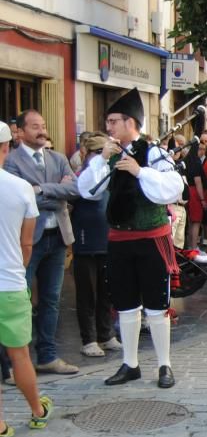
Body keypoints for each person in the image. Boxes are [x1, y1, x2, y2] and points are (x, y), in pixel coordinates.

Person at [77, 88, 185, 389]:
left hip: (151, 238)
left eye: (113, 121)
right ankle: (130, 363)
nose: (108, 127)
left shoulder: (154, 153)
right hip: (120, 241)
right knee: (125, 304)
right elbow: (87, 190)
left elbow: (172, 189)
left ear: (129, 122)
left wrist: (139, 172)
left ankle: (164, 365)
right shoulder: (106, 155)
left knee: (156, 305)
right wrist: (100, 161)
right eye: (108, 121)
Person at [4, 109, 80, 374]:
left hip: (57, 237)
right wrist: (53, 191)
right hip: (27, 240)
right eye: (34, 126)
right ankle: (15, 363)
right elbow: (22, 198)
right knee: (19, 300)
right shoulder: (11, 162)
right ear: (21, 132)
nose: (41, 130)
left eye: (43, 125)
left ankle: (47, 355)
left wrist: (41, 189)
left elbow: (74, 189)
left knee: (51, 299)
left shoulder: (58, 158)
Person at [0, 121, 53, 437]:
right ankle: (37, 410)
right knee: (19, 354)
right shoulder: (20, 189)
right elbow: (27, 243)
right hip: (9, 282)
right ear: (7, 148)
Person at [71, 133, 119, 358]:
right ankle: (88, 339)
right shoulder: (83, 175)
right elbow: (86, 193)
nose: (102, 157)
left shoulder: (108, 173)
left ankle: (106, 334)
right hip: (85, 241)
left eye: (104, 152)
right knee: (87, 294)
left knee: (106, 291)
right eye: (98, 153)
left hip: (106, 240)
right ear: (87, 154)